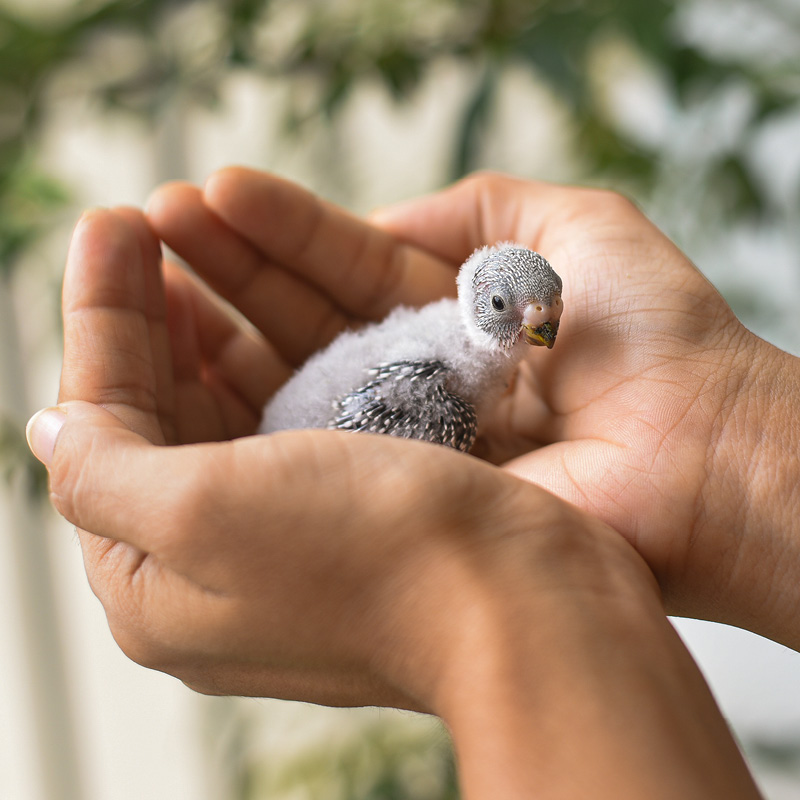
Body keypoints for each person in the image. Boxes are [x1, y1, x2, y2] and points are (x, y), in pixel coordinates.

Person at [26, 168, 798, 798]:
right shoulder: (441, 389)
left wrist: (723, 443)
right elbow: (362, 431)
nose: (543, 325)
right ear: (478, 300)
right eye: (514, 309)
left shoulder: (462, 353)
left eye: (549, 310)